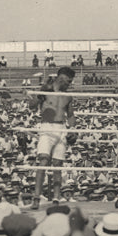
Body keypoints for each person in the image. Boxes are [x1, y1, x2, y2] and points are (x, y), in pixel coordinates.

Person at [30, 66, 77, 210]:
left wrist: (73, 129)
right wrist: (39, 95)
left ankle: (56, 198)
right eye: (68, 81)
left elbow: (70, 115)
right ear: (61, 78)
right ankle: (36, 197)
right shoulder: (45, 91)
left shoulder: (67, 96)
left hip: (61, 128)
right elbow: (31, 106)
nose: (69, 84)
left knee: (58, 165)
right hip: (46, 126)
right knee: (43, 161)